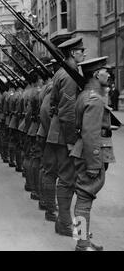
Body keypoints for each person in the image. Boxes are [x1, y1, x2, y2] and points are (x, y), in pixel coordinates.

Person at [70, 57, 115, 251]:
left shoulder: (85, 95)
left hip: (83, 151)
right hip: (90, 153)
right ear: (97, 74)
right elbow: (90, 134)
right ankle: (81, 244)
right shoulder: (94, 99)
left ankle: (83, 240)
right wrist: (94, 162)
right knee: (84, 198)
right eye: (106, 70)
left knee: (83, 198)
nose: (109, 74)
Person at [47, 37, 86, 237]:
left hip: (59, 132)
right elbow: (68, 112)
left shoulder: (63, 73)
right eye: (81, 51)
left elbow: (54, 103)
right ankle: (63, 224)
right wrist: (71, 141)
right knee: (67, 179)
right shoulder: (70, 76)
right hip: (65, 135)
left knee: (65, 178)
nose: (84, 54)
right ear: (72, 53)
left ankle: (63, 221)